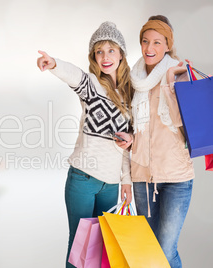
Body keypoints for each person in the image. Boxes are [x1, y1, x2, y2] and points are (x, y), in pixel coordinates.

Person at [37, 21, 134, 268]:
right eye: (99, 51)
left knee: (104, 251)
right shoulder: (91, 85)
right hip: (83, 178)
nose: (105, 56)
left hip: (111, 185)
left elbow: (127, 146)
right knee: (80, 249)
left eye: (111, 50)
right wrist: (54, 64)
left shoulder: (130, 94)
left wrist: (126, 180)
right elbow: (73, 74)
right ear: (93, 57)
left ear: (121, 54)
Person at [115, 15, 194, 268]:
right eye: (145, 41)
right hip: (142, 176)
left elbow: (182, 123)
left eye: (157, 43)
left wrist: (172, 82)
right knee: (149, 252)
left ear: (168, 45)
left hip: (176, 177)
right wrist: (129, 138)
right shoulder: (134, 79)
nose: (150, 48)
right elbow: (129, 122)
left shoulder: (179, 73)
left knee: (165, 249)